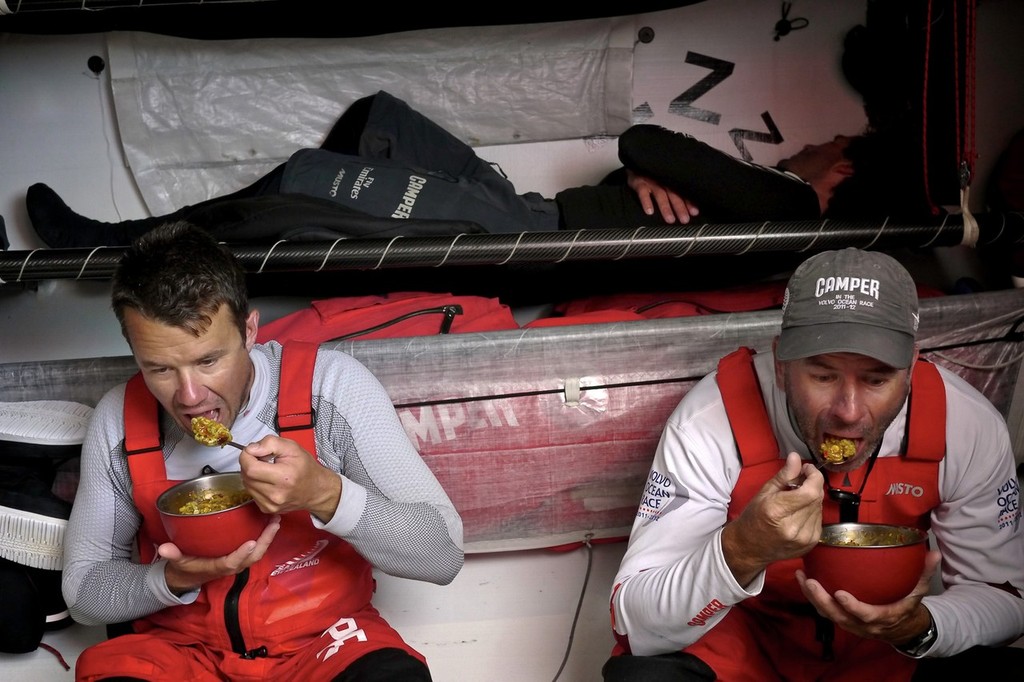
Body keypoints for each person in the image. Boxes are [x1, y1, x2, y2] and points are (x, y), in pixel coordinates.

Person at [61, 221, 464, 681]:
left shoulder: (329, 389)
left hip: (325, 641)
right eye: (160, 369)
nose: (190, 397)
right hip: (177, 648)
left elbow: (443, 555)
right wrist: (174, 579)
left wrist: (327, 495)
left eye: (209, 360)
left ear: (249, 331)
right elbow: (83, 591)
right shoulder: (118, 419)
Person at [603, 247, 1024, 681]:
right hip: (743, 653)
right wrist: (741, 549)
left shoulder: (964, 425)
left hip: (886, 660)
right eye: (823, 377)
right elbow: (634, 622)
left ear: (911, 368)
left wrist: (920, 626)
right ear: (782, 365)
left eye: (877, 379)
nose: (849, 411)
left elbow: (1007, 596)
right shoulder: (711, 420)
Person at [26, 90, 878, 249]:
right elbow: (643, 181)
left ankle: (111, 242)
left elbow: (645, 143)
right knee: (376, 122)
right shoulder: (769, 212)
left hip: (520, 231)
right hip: (530, 208)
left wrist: (650, 174)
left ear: (838, 172)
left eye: (831, 145)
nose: (813, 144)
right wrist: (637, 191)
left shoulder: (793, 207)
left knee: (299, 183)